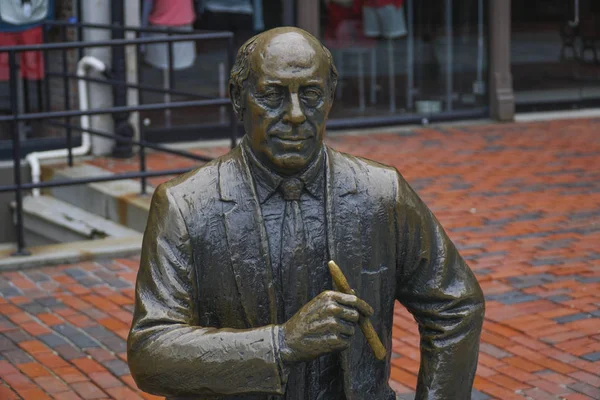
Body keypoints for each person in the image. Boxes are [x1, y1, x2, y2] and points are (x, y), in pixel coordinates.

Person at [127, 27, 485, 400]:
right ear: (238, 98)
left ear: (330, 97)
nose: (296, 114)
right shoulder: (185, 205)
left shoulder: (382, 193)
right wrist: (281, 344)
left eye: (311, 94)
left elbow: (456, 305)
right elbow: (151, 352)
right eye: (272, 95)